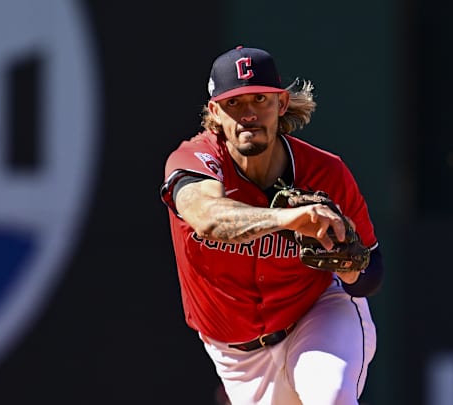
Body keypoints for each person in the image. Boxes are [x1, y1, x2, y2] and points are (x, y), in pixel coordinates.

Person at [159, 45, 384, 405]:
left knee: (331, 397)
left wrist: (350, 266)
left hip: (317, 313)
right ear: (215, 112)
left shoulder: (326, 173)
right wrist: (285, 219)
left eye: (259, 99)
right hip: (237, 357)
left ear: (281, 105)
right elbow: (206, 217)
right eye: (234, 103)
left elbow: (371, 275)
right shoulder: (194, 160)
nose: (248, 114)